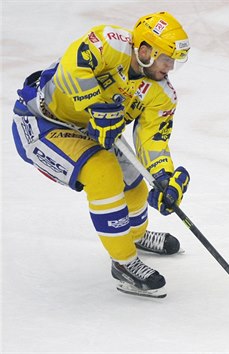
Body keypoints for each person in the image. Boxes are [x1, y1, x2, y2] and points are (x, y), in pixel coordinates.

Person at [11, 12, 192, 298]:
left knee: (133, 178)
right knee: (103, 171)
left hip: (92, 131)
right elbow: (71, 70)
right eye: (166, 60)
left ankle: (135, 235)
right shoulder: (110, 42)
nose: (169, 68)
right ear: (145, 51)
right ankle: (123, 263)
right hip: (42, 123)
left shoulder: (162, 94)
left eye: (173, 62)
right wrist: (96, 107)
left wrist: (163, 177)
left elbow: (152, 139)